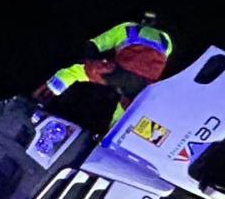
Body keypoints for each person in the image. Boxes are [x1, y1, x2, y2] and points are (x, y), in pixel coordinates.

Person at [34, 13, 175, 128]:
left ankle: (45, 94)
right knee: (125, 108)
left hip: (122, 75)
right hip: (147, 87)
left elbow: (94, 45)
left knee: (77, 71)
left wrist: (90, 61)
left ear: (142, 20)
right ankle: (116, 132)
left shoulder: (127, 28)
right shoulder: (166, 40)